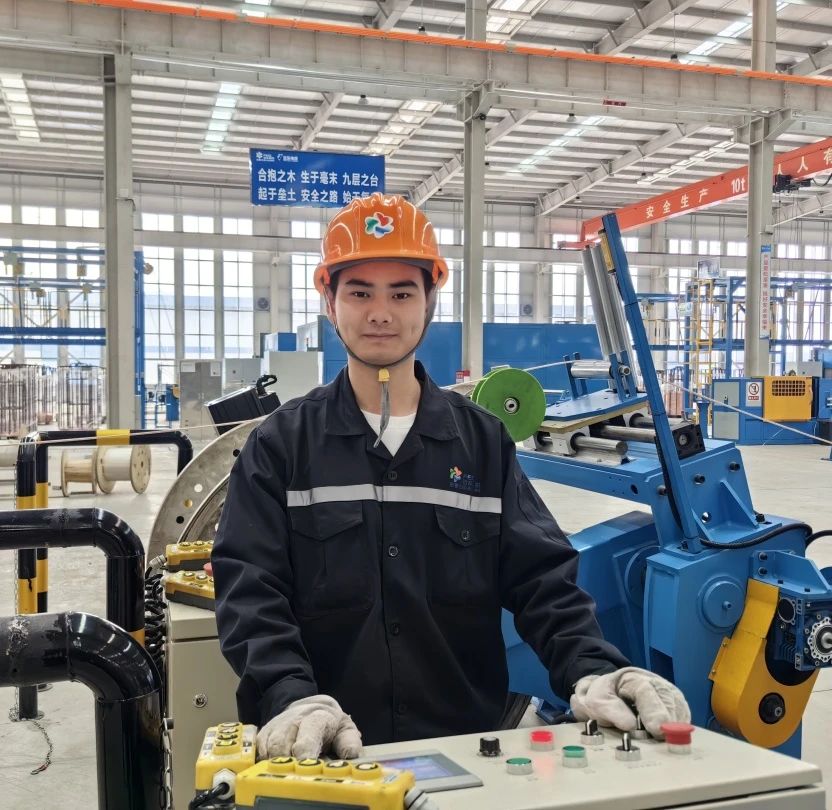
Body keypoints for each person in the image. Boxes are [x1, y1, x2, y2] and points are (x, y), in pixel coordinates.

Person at [212, 193, 690, 762]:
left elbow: (542, 579)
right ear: (329, 300)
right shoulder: (282, 445)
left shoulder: (481, 444)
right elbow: (250, 589)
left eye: (401, 293)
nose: (380, 312)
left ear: (431, 299)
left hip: (464, 752)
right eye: (360, 292)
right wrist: (291, 696)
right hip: (321, 754)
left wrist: (593, 669)